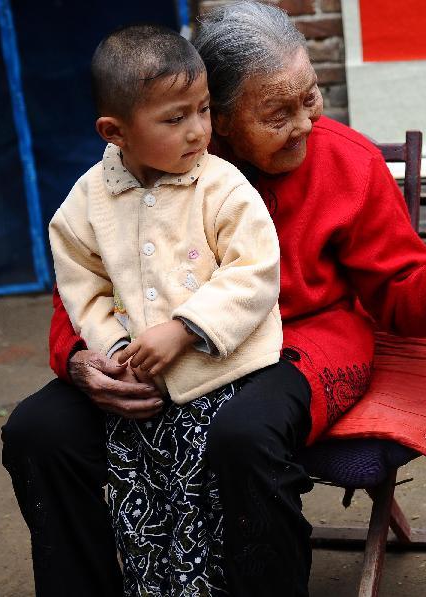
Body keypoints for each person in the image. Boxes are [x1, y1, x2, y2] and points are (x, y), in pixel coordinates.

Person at [1, 3, 426, 596]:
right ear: (216, 113)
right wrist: (80, 360)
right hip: (165, 347)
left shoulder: (347, 161)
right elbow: (89, 275)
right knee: (39, 431)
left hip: (307, 340)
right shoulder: (155, 162)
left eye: (311, 99)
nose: (304, 125)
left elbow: (401, 302)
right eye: (276, 113)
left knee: (245, 435)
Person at [47, 24, 283, 594]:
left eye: (202, 110)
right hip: (139, 394)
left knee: (208, 508)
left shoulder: (222, 187)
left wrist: (185, 329)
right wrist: (112, 352)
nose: (199, 130)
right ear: (115, 131)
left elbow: (254, 272)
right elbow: (84, 286)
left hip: (221, 379)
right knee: (141, 503)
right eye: (175, 119)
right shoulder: (87, 202)